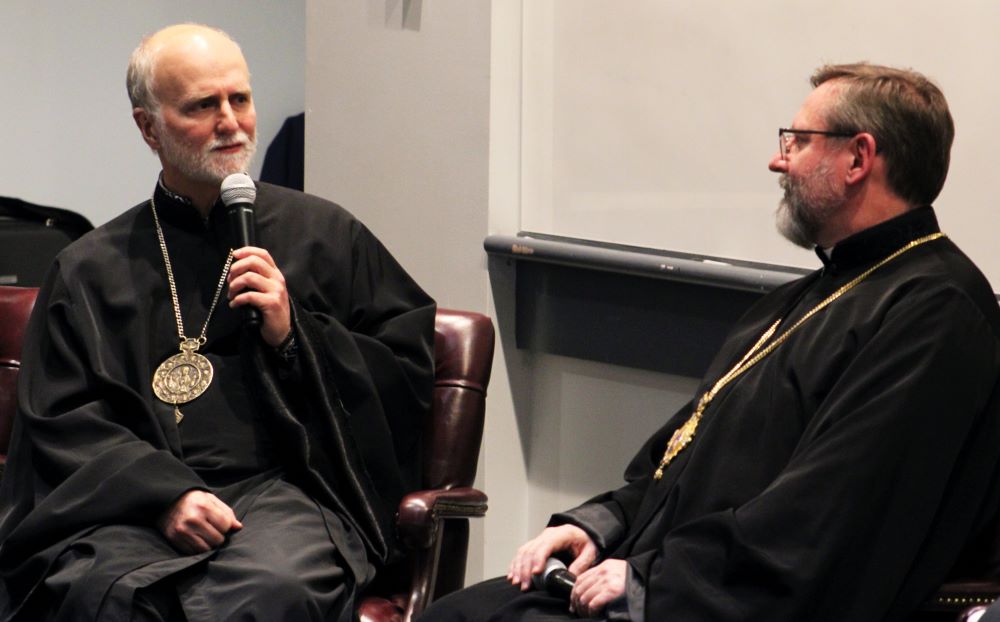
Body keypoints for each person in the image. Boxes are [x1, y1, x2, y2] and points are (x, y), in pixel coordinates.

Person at [420, 63, 1000, 621]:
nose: (778, 160)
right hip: (677, 578)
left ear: (857, 158)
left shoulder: (935, 313)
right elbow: (688, 454)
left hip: (726, 599)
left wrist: (655, 583)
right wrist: (599, 524)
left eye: (797, 140)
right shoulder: (810, 295)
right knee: (462, 610)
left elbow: (835, 513)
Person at [0, 23, 435, 621]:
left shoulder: (328, 235)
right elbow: (62, 419)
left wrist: (294, 334)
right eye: (202, 105)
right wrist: (162, 493)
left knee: (272, 587)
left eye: (240, 99)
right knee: (96, 589)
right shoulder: (88, 268)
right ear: (148, 126)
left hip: (289, 495)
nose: (230, 121)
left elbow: (406, 373)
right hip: (134, 506)